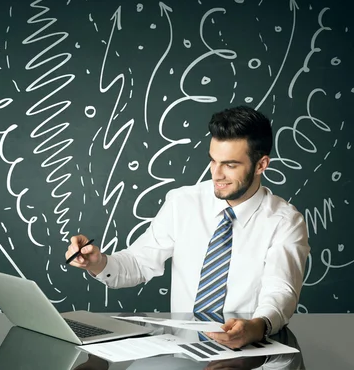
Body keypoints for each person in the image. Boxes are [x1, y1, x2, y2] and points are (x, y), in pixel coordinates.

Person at [65, 105, 310, 349]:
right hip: (184, 352)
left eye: (230, 165)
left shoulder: (285, 222)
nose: (217, 174)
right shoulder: (183, 202)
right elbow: (140, 262)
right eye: (213, 160)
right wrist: (97, 262)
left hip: (250, 352)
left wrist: (256, 327)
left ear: (261, 165)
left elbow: (281, 290)